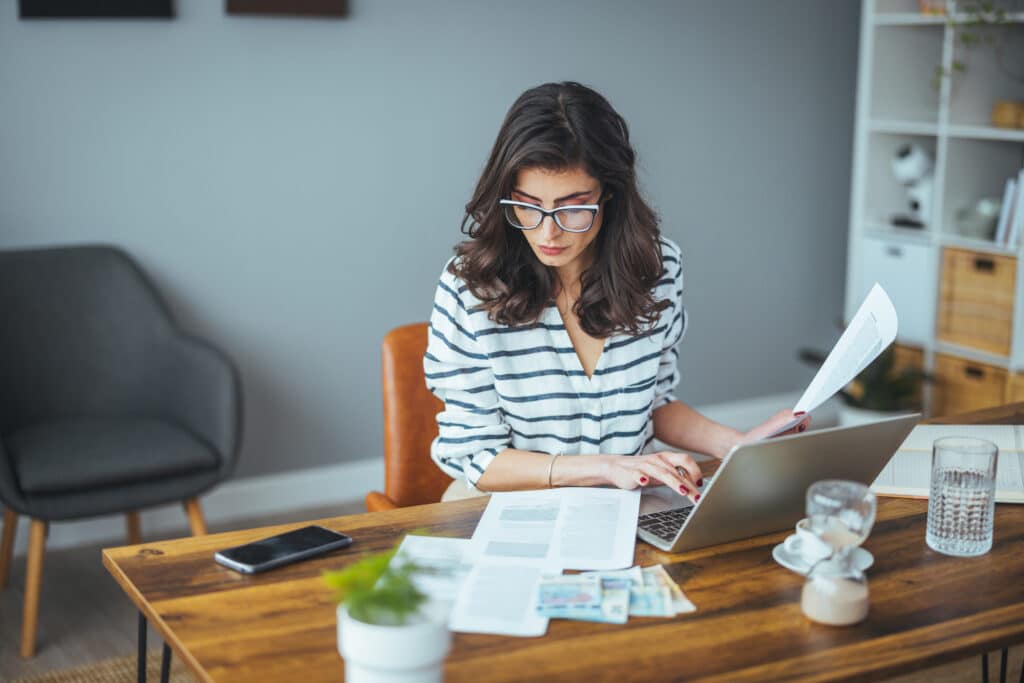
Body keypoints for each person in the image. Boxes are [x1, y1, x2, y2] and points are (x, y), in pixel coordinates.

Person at [424, 81, 807, 503]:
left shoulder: (657, 269)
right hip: (511, 504)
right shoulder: (470, 288)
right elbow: (477, 456)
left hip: (627, 500)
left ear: (609, 192)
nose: (547, 231)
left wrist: (734, 445)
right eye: (528, 205)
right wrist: (606, 468)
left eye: (573, 207)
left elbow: (655, 404)